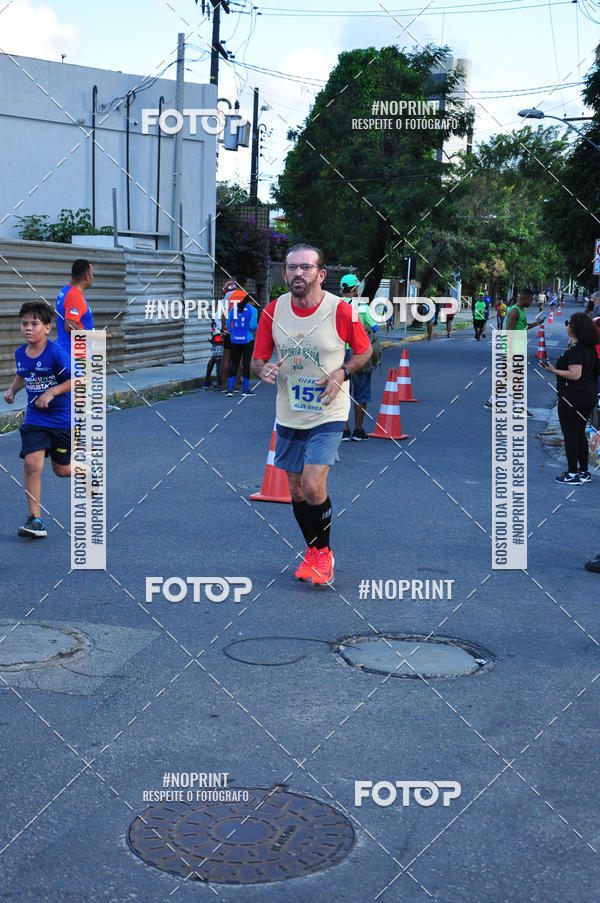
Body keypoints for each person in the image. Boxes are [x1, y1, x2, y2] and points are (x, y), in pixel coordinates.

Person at [251, 244, 371, 585]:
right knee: (296, 490)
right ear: (285, 273)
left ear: (320, 274)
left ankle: (324, 553)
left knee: (312, 482)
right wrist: (261, 370)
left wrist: (341, 373)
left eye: (305, 267)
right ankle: (313, 549)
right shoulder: (272, 312)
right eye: (291, 267)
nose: (298, 273)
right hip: (289, 412)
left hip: (329, 411)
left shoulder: (341, 311)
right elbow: (257, 359)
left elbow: (364, 352)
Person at [3, 301, 73, 538]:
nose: (28, 328)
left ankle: (87, 469)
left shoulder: (56, 353)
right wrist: (13, 390)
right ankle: (36, 520)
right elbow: (24, 374)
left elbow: (78, 380)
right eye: (25, 324)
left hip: (61, 420)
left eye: (34, 323)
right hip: (35, 418)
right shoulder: (21, 353)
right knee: (32, 464)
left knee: (62, 470)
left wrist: (52, 392)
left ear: (47, 328)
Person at [540, 312, 600, 484]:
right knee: (579, 432)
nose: (566, 325)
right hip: (588, 394)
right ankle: (583, 471)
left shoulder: (576, 350)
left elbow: (575, 374)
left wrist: (553, 371)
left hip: (573, 396)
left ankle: (572, 473)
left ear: (574, 328)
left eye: (568, 322)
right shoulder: (589, 348)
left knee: (570, 434)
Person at [485, 288, 542, 413]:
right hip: (513, 350)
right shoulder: (514, 311)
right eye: (531, 300)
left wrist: (537, 323)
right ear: (524, 298)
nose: (532, 302)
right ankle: (518, 406)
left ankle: (491, 401)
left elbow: (524, 327)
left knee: (508, 378)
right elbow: (509, 332)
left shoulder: (521, 311)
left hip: (518, 349)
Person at [339, 273, 379, 441]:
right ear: (355, 288)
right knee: (360, 393)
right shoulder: (362, 307)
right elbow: (375, 328)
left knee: (342, 393)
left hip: (339, 354)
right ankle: (358, 430)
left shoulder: (335, 306)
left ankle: (344, 430)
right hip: (359, 353)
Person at [55, 259, 94, 353]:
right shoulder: (74, 296)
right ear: (87, 276)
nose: (93, 277)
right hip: (76, 353)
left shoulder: (65, 290)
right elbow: (70, 326)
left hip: (68, 349)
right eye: (92, 274)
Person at [225, 291, 258, 397]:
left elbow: (227, 322)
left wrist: (231, 333)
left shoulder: (234, 308)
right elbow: (252, 326)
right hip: (247, 340)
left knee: (234, 363)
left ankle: (230, 389)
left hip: (234, 340)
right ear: (252, 301)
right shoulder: (253, 310)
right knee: (246, 364)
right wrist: (260, 327)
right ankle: (245, 389)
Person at [202, 319, 224, 390]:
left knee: (213, 358)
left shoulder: (216, 310)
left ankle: (207, 380)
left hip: (216, 335)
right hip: (222, 335)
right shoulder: (230, 309)